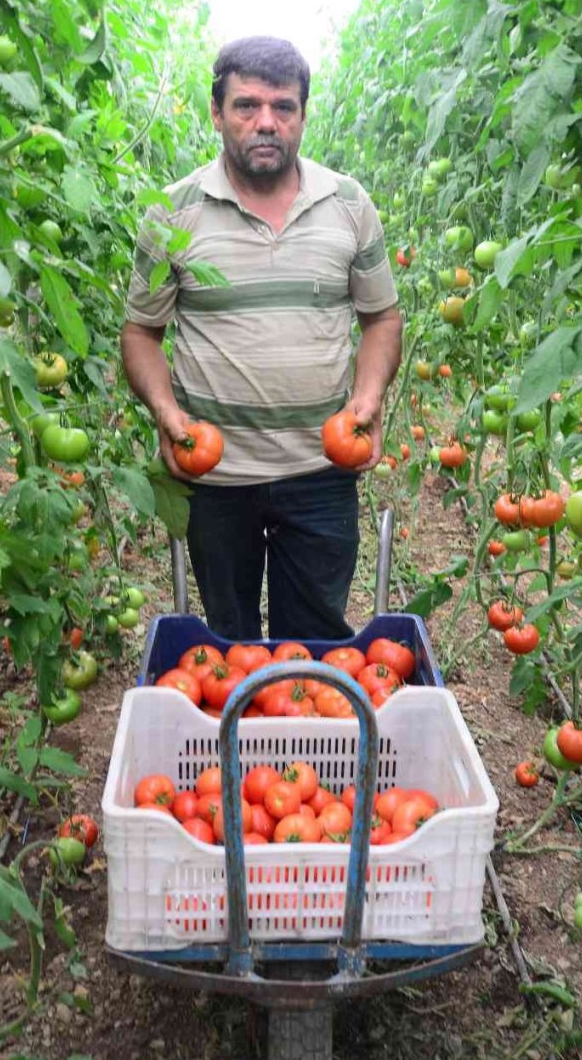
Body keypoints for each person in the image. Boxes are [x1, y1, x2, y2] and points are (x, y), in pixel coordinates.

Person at [120, 36, 402, 641]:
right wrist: (166, 413)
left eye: (283, 106)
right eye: (247, 106)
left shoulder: (348, 205)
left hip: (323, 469)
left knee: (317, 640)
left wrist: (370, 396)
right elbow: (142, 330)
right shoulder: (173, 212)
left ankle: (300, 736)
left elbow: (381, 318)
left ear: (303, 114)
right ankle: (241, 738)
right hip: (217, 475)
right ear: (217, 112)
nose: (266, 122)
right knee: (231, 640)